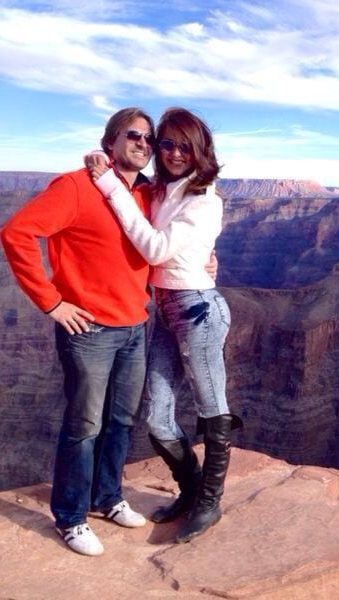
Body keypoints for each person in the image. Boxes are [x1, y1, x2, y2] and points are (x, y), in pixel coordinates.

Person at [0, 108, 216, 556]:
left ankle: (107, 497)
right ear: (110, 141)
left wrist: (207, 263)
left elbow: (178, 238)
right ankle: (71, 517)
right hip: (90, 330)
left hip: (136, 324)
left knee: (120, 422)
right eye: (132, 135)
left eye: (149, 138)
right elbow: (17, 232)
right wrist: (52, 301)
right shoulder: (75, 187)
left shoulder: (146, 193)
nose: (143, 144)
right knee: (84, 426)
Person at [87, 107, 241, 544]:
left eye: (183, 145)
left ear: (200, 149)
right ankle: (191, 488)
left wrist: (108, 186)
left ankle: (209, 504)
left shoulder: (202, 199)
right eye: (166, 144)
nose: (173, 152)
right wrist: (100, 163)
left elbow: (156, 249)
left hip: (198, 312)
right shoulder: (164, 190)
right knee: (157, 418)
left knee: (213, 409)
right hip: (169, 310)